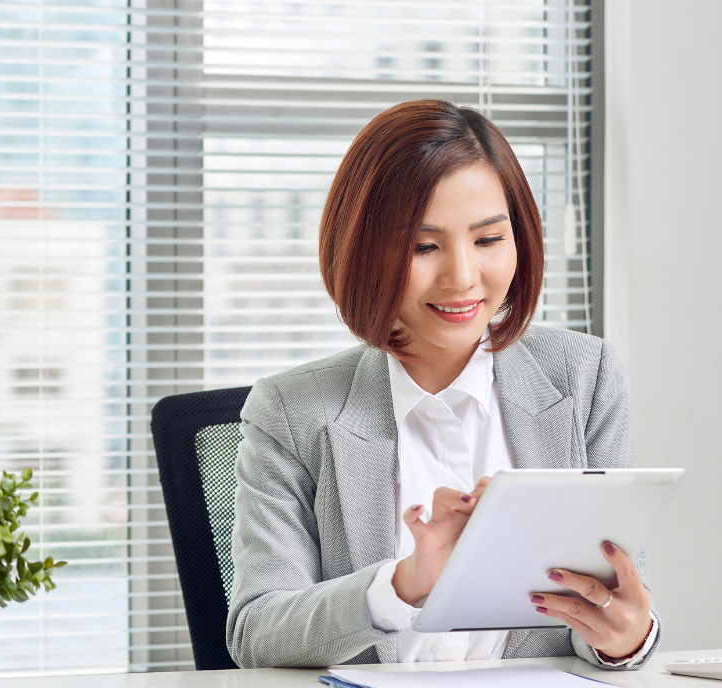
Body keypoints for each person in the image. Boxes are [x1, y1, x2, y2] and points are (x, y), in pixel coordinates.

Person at [225, 99, 659, 669]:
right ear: (362, 251)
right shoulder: (291, 412)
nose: (461, 277)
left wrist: (625, 638)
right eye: (423, 246)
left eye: (487, 240)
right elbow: (257, 632)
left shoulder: (583, 378)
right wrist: (403, 584)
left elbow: (606, 605)